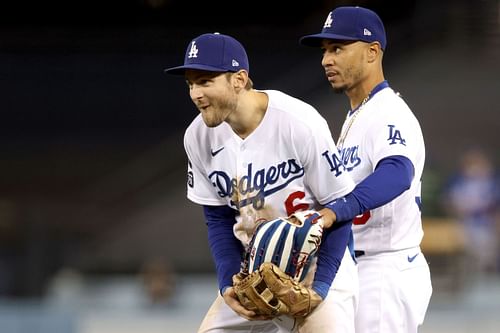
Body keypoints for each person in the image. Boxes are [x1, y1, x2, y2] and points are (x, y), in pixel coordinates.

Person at [165, 32, 358, 332]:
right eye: (190, 83)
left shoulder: (298, 122)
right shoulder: (197, 137)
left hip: (317, 265)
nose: (195, 94)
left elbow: (341, 206)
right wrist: (228, 283)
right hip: (251, 272)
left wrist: (320, 287)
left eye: (204, 81)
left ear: (239, 80)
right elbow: (217, 218)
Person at [299, 6, 433, 333]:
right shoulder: (357, 116)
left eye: (338, 48)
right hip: (358, 266)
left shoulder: (389, 113)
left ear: (372, 52)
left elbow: (398, 172)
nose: (326, 60)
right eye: (325, 51)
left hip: (384, 269)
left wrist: (337, 211)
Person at [441, 146, 500, 274]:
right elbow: (447, 202)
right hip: (463, 225)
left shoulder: (492, 181)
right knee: (467, 256)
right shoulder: (457, 180)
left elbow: (495, 207)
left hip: (486, 226)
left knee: (486, 257)